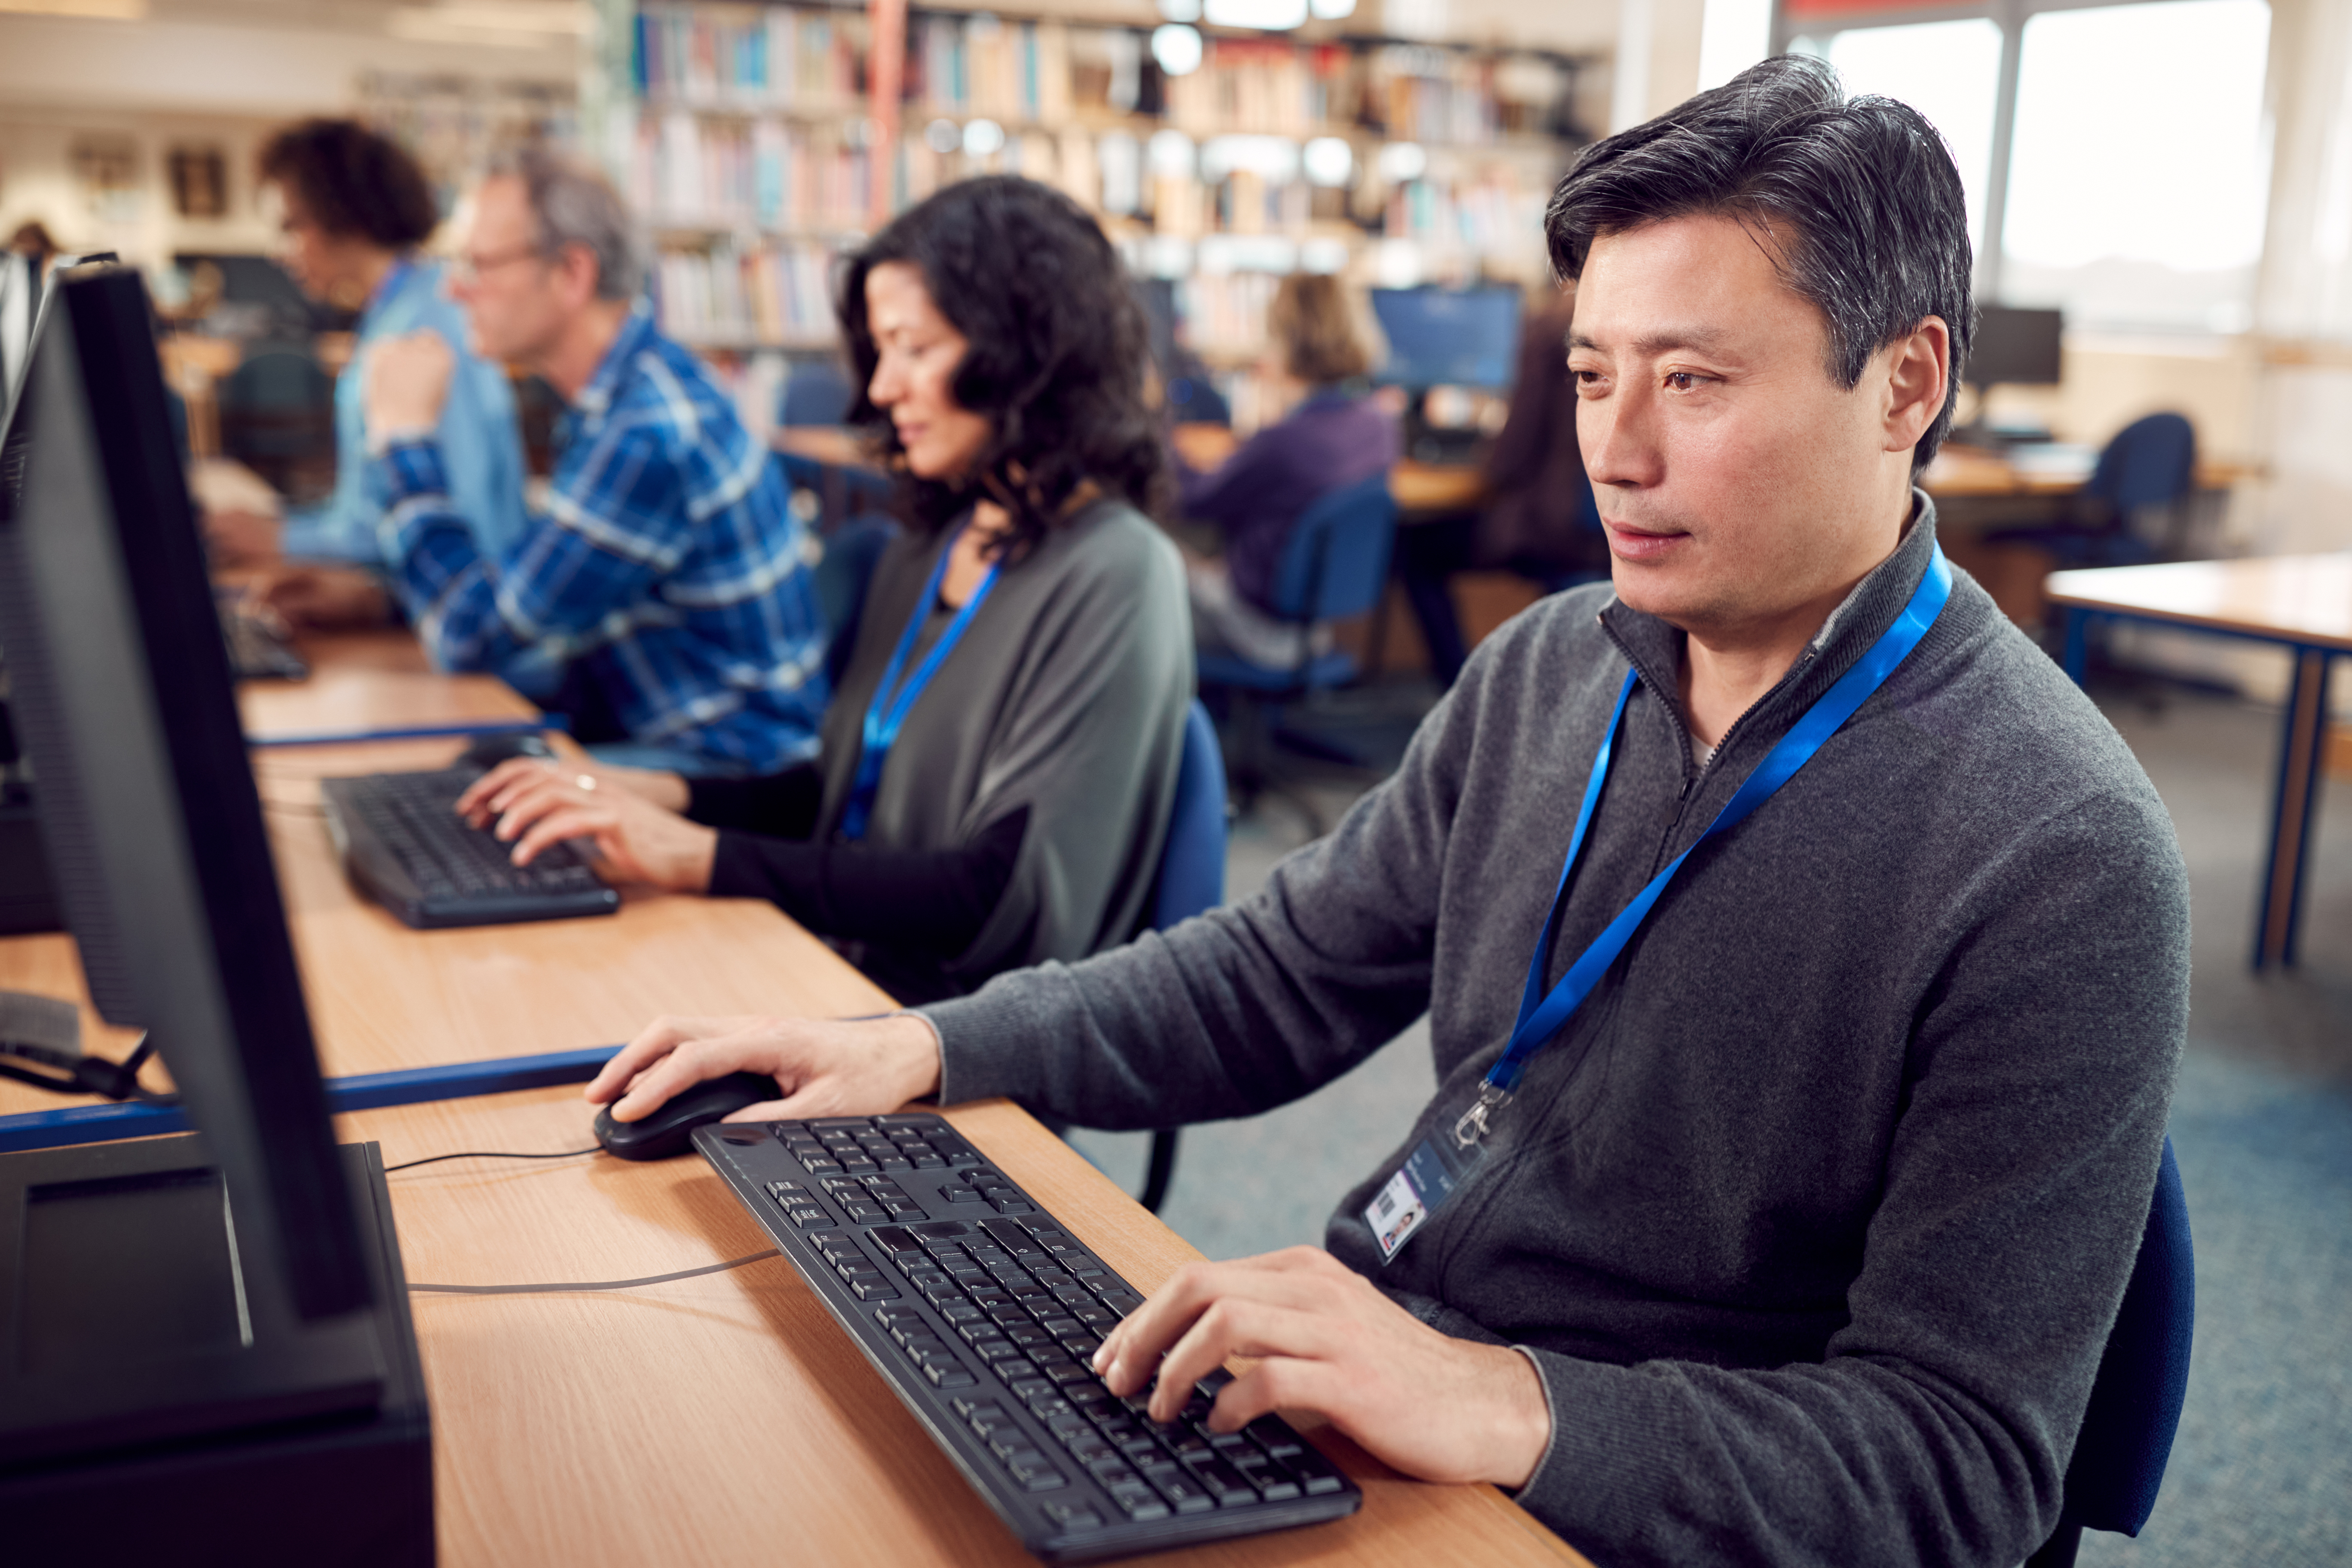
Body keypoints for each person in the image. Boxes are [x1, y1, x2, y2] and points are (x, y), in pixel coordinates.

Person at [579, 58, 2190, 1566]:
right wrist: (927, 1048)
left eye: (1692, 381)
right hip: (1393, 1392)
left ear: (1906, 380)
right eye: (1588, 375)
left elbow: (1960, 1462)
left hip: (1602, 1494)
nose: (1612, 455)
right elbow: (1270, 976)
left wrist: (1504, 1398)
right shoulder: (1553, 667)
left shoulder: (2054, 848)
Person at [458, 176, 1191, 1004]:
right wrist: (647, 794)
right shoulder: (932, 543)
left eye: (915, 348)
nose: (881, 389)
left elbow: (992, 895)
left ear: (1028, 354)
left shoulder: (1116, 573)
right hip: (833, 965)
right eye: (880, 352)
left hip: (953, 1028)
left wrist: (694, 855)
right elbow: (836, 796)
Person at [358, 148, 827, 776]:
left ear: (572, 273)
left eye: (477, 263)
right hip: (654, 723)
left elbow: (468, 639)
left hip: (730, 770)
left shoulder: (646, 433)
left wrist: (403, 439)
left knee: (443, 795)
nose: (453, 288)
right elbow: (532, 589)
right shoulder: (623, 393)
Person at [208, 119, 530, 621]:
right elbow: (377, 509)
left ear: (344, 214)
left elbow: (462, 525)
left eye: (292, 226)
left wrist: (283, 537)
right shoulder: (394, 314)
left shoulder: (428, 326)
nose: (281, 251)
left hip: (466, 629)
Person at [1176, 273, 1398, 667]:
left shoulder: (1285, 441)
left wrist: (1155, 433)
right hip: (1316, 627)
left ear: (1287, 342)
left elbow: (1192, 500)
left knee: (1142, 573)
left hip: (1255, 629)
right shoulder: (1379, 424)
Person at [1392, 279, 1608, 684]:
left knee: (1416, 550)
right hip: (1601, 527)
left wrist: (1481, 462)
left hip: (1551, 530)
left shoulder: (1549, 327)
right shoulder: (1622, 321)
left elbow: (1512, 453)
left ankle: (1458, 685)